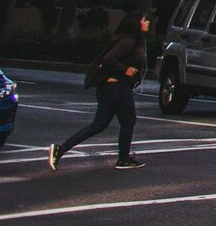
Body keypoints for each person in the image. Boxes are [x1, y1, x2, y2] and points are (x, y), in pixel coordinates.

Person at [50, 12, 149, 171]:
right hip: (118, 88)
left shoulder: (127, 40)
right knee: (128, 121)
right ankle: (124, 159)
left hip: (108, 89)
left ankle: (61, 149)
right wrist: (125, 70)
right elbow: (108, 58)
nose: (147, 22)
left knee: (99, 124)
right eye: (144, 20)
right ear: (135, 24)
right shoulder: (129, 41)